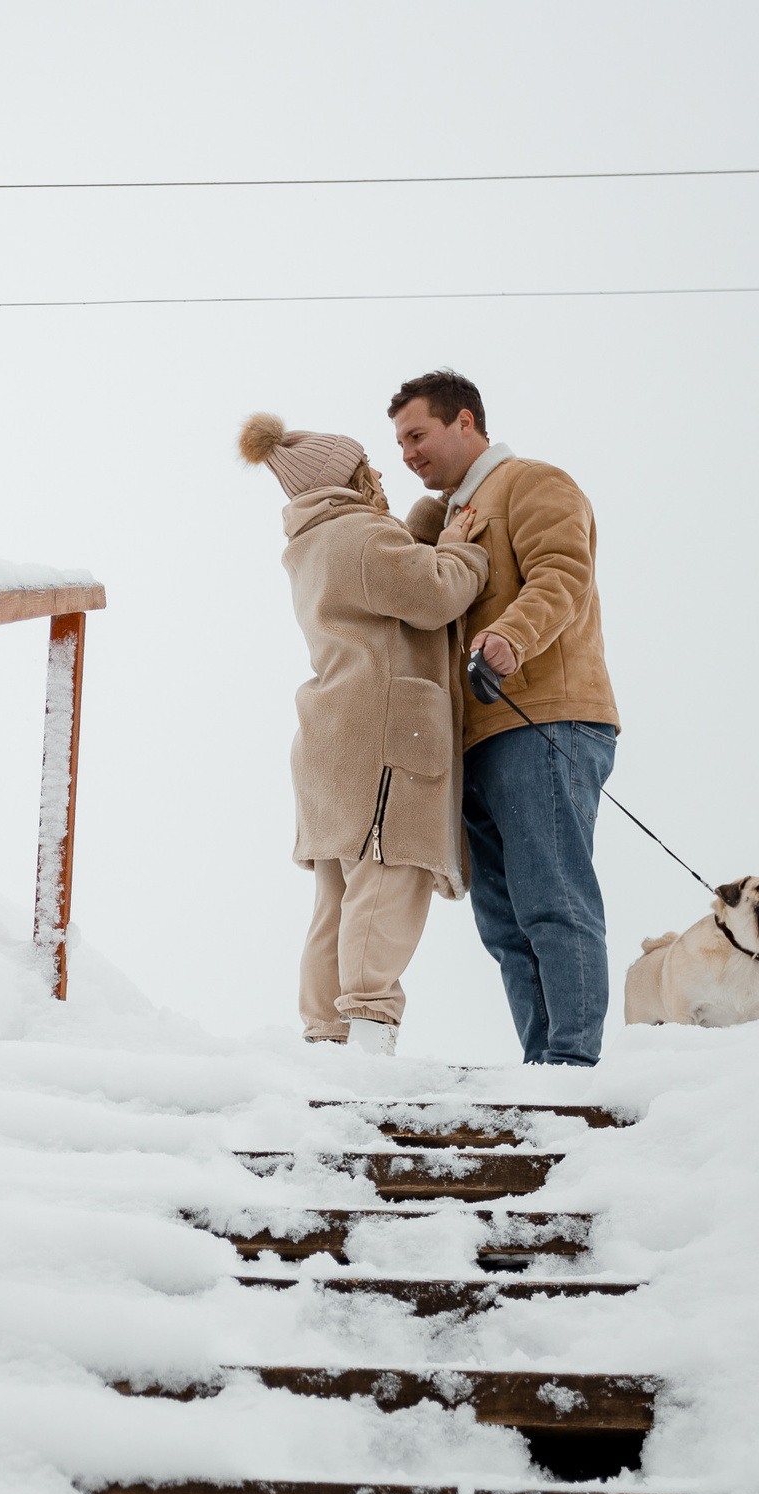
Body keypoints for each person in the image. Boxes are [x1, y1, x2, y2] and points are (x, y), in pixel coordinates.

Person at [388, 370, 621, 1066]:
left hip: (545, 720)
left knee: (553, 901)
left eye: (417, 435)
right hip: (477, 738)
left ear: (466, 423)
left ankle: (573, 1072)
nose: (408, 454)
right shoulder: (450, 517)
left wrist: (510, 638)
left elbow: (561, 574)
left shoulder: (532, 482)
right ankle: (541, 1068)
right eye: (399, 443)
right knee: (506, 923)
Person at [242, 413, 488, 1055]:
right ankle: (370, 1036)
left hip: (334, 740)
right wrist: (462, 547)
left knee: (339, 898)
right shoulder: (360, 534)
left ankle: (326, 1038)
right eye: (366, 465)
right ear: (346, 479)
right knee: (388, 882)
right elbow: (435, 594)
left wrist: (422, 531)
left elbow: (390, 584)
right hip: (385, 738)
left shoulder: (317, 540)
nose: (381, 471)